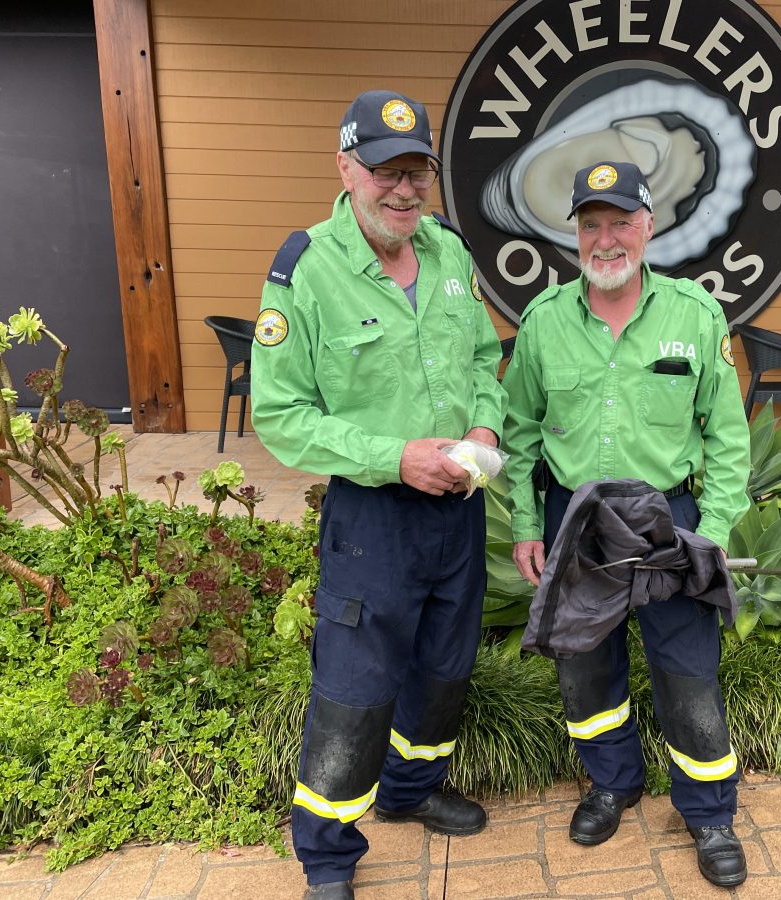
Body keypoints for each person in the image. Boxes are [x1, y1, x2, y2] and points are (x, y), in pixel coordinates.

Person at [250, 90, 506, 900]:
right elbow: (283, 418)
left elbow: (480, 366)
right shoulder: (306, 271)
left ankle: (411, 791)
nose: (403, 190)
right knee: (356, 688)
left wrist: (488, 433)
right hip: (374, 520)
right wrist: (395, 458)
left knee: (444, 666)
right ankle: (326, 855)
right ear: (345, 168)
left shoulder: (450, 256)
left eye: (417, 174)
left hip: (458, 510)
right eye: (384, 172)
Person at [502, 161, 752, 888]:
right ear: (574, 234)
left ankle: (709, 814)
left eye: (619, 223)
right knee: (584, 665)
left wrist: (717, 527)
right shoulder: (544, 321)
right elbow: (517, 434)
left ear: (648, 226)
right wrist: (525, 522)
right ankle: (613, 783)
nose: (605, 239)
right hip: (574, 519)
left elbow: (728, 437)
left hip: (666, 520)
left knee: (688, 673)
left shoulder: (694, 316)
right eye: (590, 225)